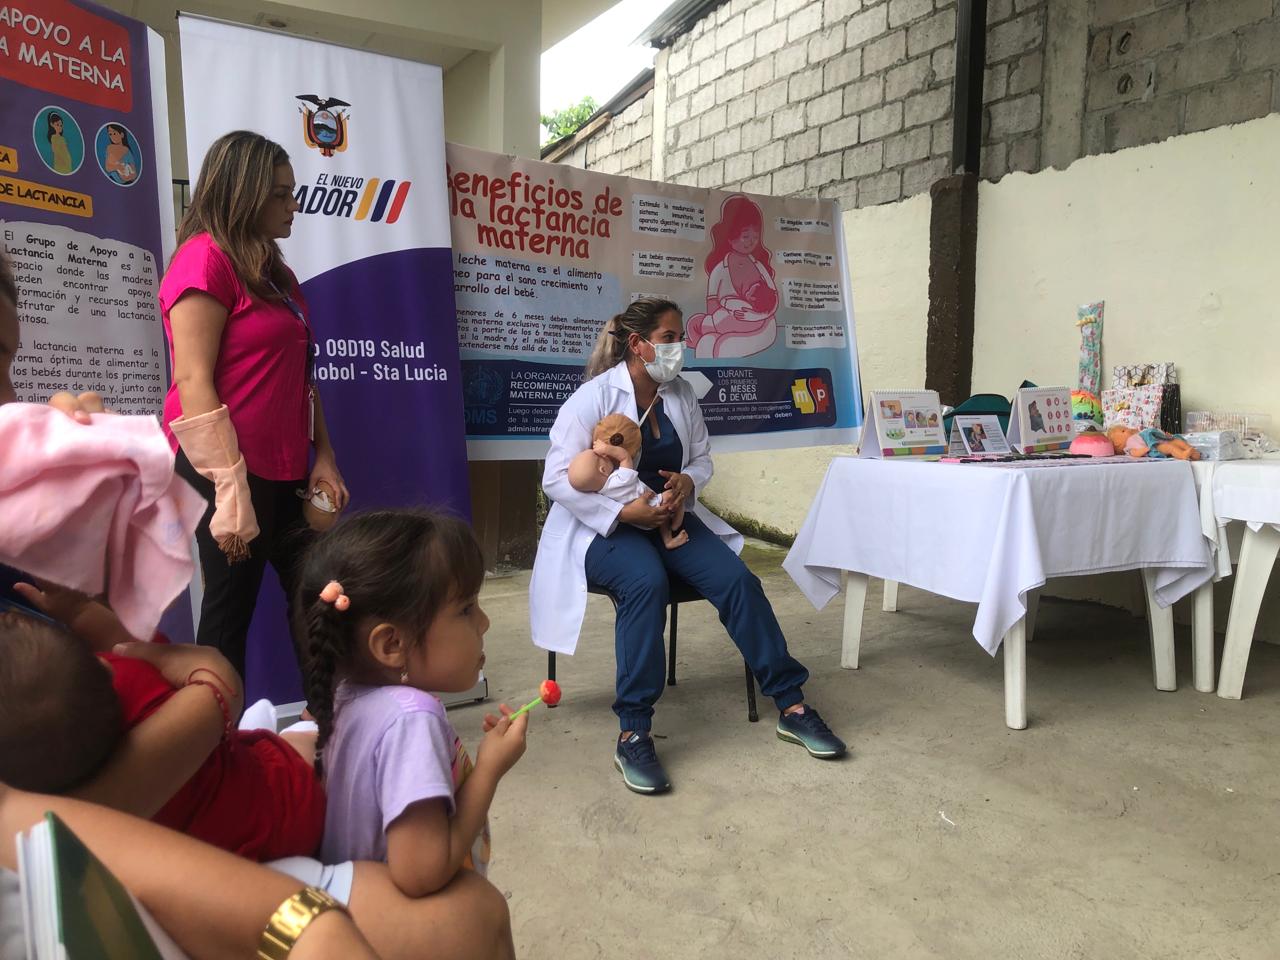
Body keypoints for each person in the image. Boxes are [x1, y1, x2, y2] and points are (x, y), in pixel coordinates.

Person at [530, 297, 846, 796]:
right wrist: (622, 514)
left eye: (681, 338)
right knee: (645, 583)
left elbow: (701, 458)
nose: (679, 347)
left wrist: (687, 483)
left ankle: (791, 703)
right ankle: (634, 731)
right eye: (669, 338)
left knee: (738, 581)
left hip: (668, 515)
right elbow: (555, 478)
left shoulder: (679, 394)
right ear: (638, 344)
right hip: (604, 528)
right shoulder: (593, 398)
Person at [160, 130, 348, 682]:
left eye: (293, 192)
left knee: (319, 601)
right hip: (224, 471)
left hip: (286, 469)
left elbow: (303, 378)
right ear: (242, 193)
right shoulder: (203, 260)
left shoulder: (277, 275)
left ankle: (332, 723)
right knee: (228, 617)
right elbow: (193, 380)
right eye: (281, 194)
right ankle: (212, 734)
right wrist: (229, 484)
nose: (294, 206)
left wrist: (324, 456)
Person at [297, 510, 528, 897]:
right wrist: (489, 769)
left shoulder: (343, 697)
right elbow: (421, 872)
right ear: (392, 645)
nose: (484, 622)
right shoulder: (412, 720)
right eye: (466, 609)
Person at [0, 601, 325, 861]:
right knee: (306, 741)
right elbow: (149, 652)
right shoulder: (134, 681)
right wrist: (79, 610)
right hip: (284, 811)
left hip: (208, 856)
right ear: (105, 666)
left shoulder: (39, 795)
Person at [568, 413, 687, 550]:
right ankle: (676, 523)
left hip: (639, 522)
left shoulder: (601, 493)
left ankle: (668, 541)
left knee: (662, 519)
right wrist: (606, 448)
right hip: (652, 505)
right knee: (674, 495)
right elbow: (625, 457)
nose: (604, 455)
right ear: (602, 470)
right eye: (600, 457)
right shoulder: (620, 480)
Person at [685, 195, 779, 358]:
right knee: (702, 332)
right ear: (730, 237)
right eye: (746, 236)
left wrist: (755, 316)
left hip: (762, 326)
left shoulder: (759, 266)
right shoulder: (719, 270)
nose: (751, 242)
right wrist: (725, 316)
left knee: (713, 346)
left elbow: (773, 299)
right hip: (725, 323)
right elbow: (712, 308)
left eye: (755, 237)